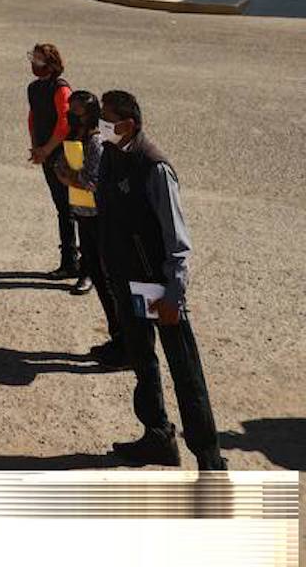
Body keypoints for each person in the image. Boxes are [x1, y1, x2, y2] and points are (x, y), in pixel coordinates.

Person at [96, 89, 225, 470]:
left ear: (128, 124)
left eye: (107, 119)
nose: (101, 126)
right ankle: (157, 436)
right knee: (143, 360)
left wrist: (173, 294)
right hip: (128, 281)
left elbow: (177, 240)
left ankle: (209, 460)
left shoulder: (154, 167)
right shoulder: (110, 156)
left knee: (184, 370)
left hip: (158, 285)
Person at [51, 88, 123, 362]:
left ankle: (121, 338)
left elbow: (91, 181)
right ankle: (118, 336)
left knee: (106, 279)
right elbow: (61, 163)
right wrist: (67, 174)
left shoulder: (96, 141)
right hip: (82, 211)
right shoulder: (75, 135)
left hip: (98, 216)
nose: (70, 113)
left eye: (75, 111)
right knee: (96, 270)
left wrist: (68, 178)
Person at [26, 41, 77, 278]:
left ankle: (75, 261)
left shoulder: (61, 88)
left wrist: (47, 149)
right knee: (61, 208)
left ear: (51, 64)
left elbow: (65, 124)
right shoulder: (34, 88)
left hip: (64, 155)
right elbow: (33, 117)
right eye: (33, 58)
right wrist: (36, 148)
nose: (34, 63)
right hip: (46, 154)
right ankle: (68, 260)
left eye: (39, 60)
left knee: (71, 209)